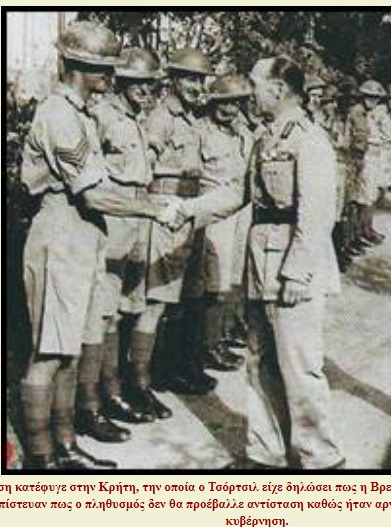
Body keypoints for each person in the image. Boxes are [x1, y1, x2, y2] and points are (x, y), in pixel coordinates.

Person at [17, 21, 178, 469]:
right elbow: (92, 194)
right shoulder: (58, 115)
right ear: (78, 66)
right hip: (61, 232)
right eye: (104, 67)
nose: (112, 75)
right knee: (49, 351)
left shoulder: (83, 113)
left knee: (71, 348)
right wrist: (153, 208)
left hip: (85, 235)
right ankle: (41, 456)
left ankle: (66, 444)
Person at [239, 56, 346, 468]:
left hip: (292, 269)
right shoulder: (265, 136)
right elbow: (240, 194)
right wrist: (185, 209)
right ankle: (267, 454)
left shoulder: (308, 139)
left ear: (278, 89)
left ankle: (322, 459)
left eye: (255, 84)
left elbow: (316, 214)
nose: (250, 92)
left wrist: (298, 274)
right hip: (261, 263)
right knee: (259, 361)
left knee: (300, 366)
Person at [79, 47, 167, 431]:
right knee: (103, 312)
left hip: (138, 214)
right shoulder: (102, 115)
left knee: (125, 308)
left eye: (151, 84)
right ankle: (92, 400)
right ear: (120, 81)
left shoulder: (137, 118)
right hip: (113, 217)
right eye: (137, 83)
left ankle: (117, 388)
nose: (145, 90)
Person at [128, 47, 217, 398]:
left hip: (190, 208)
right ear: (174, 80)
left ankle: (170, 368)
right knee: (157, 300)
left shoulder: (192, 118)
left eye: (201, 79)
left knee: (182, 297)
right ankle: (139, 381)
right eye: (190, 78)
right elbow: (143, 167)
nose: (197, 86)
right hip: (166, 209)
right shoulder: (161, 117)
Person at [168, 75, 255, 372]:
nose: (230, 110)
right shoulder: (198, 130)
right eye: (223, 103)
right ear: (212, 102)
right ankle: (205, 346)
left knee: (230, 280)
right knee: (210, 283)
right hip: (209, 211)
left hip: (238, 211)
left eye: (235, 104)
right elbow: (190, 174)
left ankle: (219, 336)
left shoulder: (243, 132)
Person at [344, 80, 388, 256]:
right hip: (358, 160)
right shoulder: (357, 113)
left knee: (366, 197)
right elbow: (354, 139)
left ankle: (360, 232)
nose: (373, 101)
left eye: (376, 98)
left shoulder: (368, 113)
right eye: (370, 97)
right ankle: (354, 236)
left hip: (366, 159)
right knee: (357, 200)